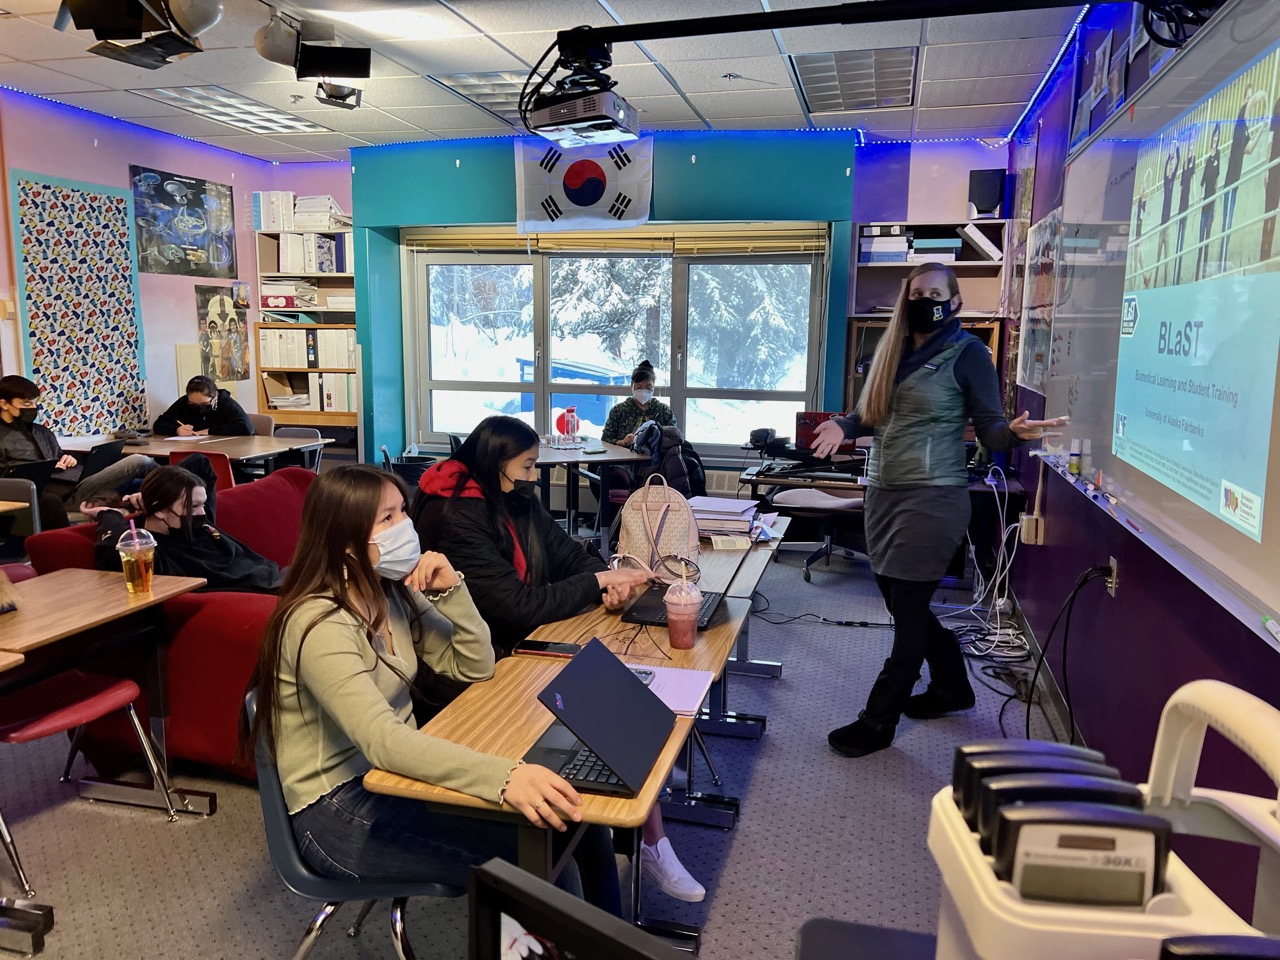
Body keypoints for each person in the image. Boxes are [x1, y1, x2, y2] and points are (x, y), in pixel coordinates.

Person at [242, 464, 620, 912]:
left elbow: (475, 666)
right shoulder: (318, 623)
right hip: (337, 808)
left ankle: (613, 941)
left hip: (394, 778)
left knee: (578, 821)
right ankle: (577, 942)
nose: (406, 525)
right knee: (541, 862)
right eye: (387, 518)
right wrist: (505, 778)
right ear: (345, 541)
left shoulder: (388, 592)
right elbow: (383, 741)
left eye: (403, 511)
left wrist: (453, 589)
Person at [413, 415, 707, 902]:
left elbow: (566, 552)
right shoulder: (456, 516)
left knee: (611, 676)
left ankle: (643, 798)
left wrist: (605, 581)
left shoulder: (510, 495)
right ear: (495, 463)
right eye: (527, 466)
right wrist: (597, 582)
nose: (534, 476)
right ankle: (646, 830)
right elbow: (517, 607)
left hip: (514, 645)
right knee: (595, 695)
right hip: (472, 667)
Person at [811, 263, 1066, 759]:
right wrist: (844, 424)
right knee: (899, 601)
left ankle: (878, 720)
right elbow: (868, 415)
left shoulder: (968, 354)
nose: (924, 301)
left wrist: (1015, 433)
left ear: (954, 303)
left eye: (935, 293)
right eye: (916, 293)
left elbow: (991, 430)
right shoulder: (890, 351)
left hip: (933, 496)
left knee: (907, 615)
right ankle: (952, 686)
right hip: (883, 493)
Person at [80, 453, 283, 593]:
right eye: (193, 506)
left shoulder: (194, 521)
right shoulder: (156, 553)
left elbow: (200, 462)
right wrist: (109, 515)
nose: (203, 512)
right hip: (265, 594)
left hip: (282, 578)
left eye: (202, 504)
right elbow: (111, 552)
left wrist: (155, 490)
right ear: (160, 510)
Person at [0, 374, 157, 530]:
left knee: (137, 483)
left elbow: (58, 457)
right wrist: (42, 470)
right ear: (4, 404)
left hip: (72, 484)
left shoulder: (42, 432)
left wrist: (67, 459)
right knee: (139, 461)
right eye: (27, 404)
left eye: (35, 403)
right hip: (53, 496)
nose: (33, 408)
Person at [597, 360, 677, 528]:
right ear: (632, 386)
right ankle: (618, 526)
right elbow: (605, 440)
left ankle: (653, 527)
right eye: (639, 387)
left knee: (659, 481)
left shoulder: (663, 411)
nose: (643, 391)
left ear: (654, 387)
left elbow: (674, 437)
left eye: (648, 387)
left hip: (654, 464)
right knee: (616, 478)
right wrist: (621, 442)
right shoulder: (619, 410)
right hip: (624, 463)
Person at [1220, 85, 1260, 268]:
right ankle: (1221, 261)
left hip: (1235, 184)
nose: (1249, 101)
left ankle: (1223, 260)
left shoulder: (1246, 131)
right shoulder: (1239, 122)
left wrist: (1261, 130)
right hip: (1229, 182)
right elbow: (1250, 105)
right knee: (1225, 225)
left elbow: (1249, 149)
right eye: (1247, 97)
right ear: (1243, 101)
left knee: (1229, 224)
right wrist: (1260, 96)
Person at [153, 375, 253, 438]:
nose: (199, 408)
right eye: (193, 404)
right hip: (195, 449)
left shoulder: (225, 403)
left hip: (227, 451)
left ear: (214, 397)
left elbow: (246, 427)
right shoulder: (184, 402)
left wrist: (210, 431)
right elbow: (159, 424)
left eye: (204, 404)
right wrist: (177, 430)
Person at [1195, 124, 1221, 282]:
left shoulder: (1218, 155)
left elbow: (1216, 181)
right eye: (1214, 135)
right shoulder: (1207, 159)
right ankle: (1197, 276)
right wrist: (1198, 200)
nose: (1215, 138)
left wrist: (1216, 205)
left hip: (1211, 205)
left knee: (1207, 243)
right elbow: (1202, 182)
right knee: (1200, 242)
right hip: (1204, 206)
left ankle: (1204, 276)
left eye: (1217, 136)